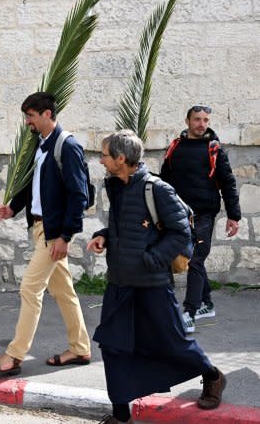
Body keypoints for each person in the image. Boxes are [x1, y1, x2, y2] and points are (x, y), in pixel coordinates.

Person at [87, 130, 226, 424]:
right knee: (113, 347)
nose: (100, 160)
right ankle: (121, 415)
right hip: (120, 284)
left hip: (152, 285)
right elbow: (123, 228)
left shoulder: (157, 190)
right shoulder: (117, 186)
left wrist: (151, 259)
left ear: (121, 159)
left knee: (173, 343)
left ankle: (212, 376)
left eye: (104, 155)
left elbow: (181, 233)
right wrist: (104, 237)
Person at [0, 92, 91, 376]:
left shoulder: (67, 146)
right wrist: (13, 208)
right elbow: (34, 184)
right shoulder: (40, 145)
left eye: (30, 116)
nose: (27, 122)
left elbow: (79, 196)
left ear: (46, 114)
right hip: (40, 227)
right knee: (63, 291)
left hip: (55, 232)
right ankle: (80, 348)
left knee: (30, 288)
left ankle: (14, 355)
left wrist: (65, 237)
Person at [159, 105, 241, 333]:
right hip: (178, 214)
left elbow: (228, 183)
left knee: (195, 259)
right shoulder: (175, 147)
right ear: (187, 121)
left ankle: (190, 313)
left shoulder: (214, 149)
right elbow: (164, 180)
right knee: (193, 259)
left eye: (205, 120)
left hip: (204, 214)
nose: (202, 124)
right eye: (197, 119)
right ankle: (207, 304)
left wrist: (233, 216)